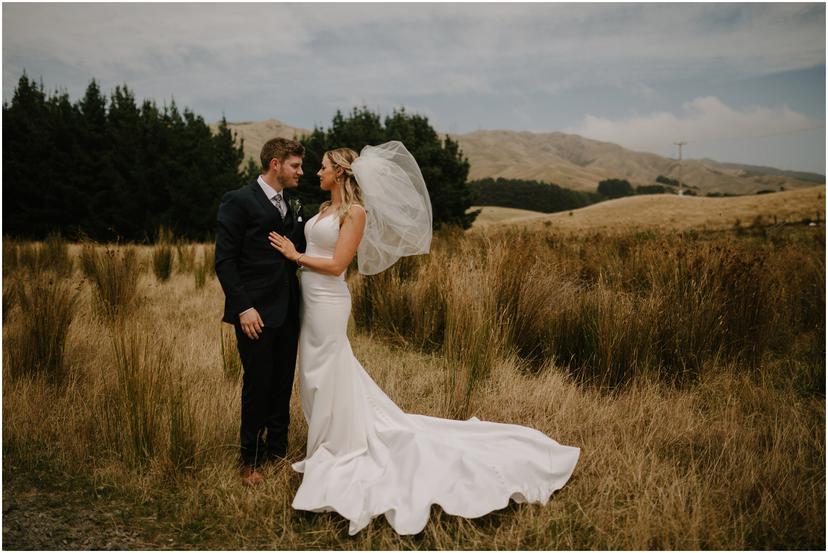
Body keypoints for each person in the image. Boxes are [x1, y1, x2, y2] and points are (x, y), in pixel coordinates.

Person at [269, 142, 579, 535]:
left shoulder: (355, 213)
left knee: (327, 367)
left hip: (329, 300)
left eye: (324, 167)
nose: (317, 173)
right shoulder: (324, 211)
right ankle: (325, 440)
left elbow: (337, 265)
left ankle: (339, 445)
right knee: (312, 372)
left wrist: (294, 256)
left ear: (342, 173)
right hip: (308, 302)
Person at [215, 137, 307, 486]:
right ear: (275, 164)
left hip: (290, 311)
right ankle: (250, 459)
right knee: (258, 382)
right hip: (254, 313)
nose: (301, 172)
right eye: (295, 165)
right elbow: (224, 261)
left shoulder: (295, 204)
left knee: (283, 382)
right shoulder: (238, 201)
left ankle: (278, 452)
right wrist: (244, 307)